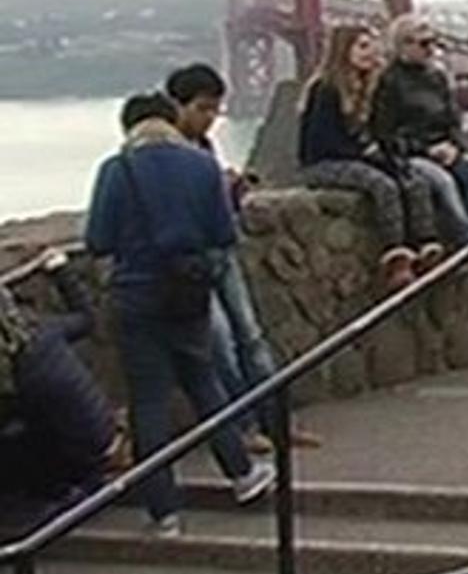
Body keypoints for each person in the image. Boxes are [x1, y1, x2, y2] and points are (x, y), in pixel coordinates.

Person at [84, 94, 276, 536]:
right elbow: (223, 233)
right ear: (172, 122)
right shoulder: (202, 166)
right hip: (189, 294)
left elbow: (98, 239)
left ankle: (164, 513)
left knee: (149, 402)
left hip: (135, 295)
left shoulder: (118, 169)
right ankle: (243, 474)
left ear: (129, 127)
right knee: (204, 381)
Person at [165, 63, 310, 455]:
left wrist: (232, 189)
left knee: (251, 338)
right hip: (191, 263)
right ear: (176, 105)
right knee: (221, 345)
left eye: (215, 110)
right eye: (202, 109)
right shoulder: (164, 153)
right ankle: (245, 427)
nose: (210, 119)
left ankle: (276, 422)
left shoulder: (203, 147)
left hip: (221, 250)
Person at [300, 25, 444, 291]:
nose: (370, 53)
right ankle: (396, 255)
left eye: (372, 46)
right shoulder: (325, 90)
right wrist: (366, 155)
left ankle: (425, 245)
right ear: (343, 51)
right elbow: (322, 142)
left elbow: (379, 132)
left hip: (354, 157)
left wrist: (387, 155)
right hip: (322, 164)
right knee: (383, 185)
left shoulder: (369, 88)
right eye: (362, 46)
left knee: (413, 180)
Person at [371, 15, 468, 273]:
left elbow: (454, 121)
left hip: (444, 149)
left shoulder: (438, 77)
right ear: (403, 45)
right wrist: (425, 149)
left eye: (434, 43)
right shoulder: (387, 81)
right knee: (444, 184)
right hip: (411, 155)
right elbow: (384, 132)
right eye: (424, 44)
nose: (431, 49)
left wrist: (455, 147)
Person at [0, 281, 121, 540]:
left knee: (13, 443)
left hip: (78, 449)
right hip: (98, 430)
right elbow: (88, 318)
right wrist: (61, 273)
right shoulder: (44, 330)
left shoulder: (16, 369)